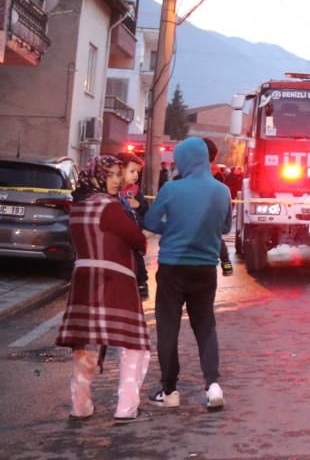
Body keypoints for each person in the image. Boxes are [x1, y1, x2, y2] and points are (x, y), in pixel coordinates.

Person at [56, 155, 151, 421]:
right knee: (134, 344)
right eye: (112, 175)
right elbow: (137, 239)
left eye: (119, 175)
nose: (118, 181)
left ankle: (80, 406)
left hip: (83, 280)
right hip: (114, 279)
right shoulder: (109, 206)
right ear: (98, 176)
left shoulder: (77, 206)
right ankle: (126, 408)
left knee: (84, 343)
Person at [143, 137, 233, 410]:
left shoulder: (172, 189)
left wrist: (173, 227)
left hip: (172, 267)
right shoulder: (222, 191)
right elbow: (225, 228)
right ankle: (213, 385)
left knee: (168, 328)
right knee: (205, 326)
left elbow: (150, 222)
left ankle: (170, 390)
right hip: (205, 269)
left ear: (184, 160)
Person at [115, 151, 150, 299]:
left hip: (133, 236)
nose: (136, 175)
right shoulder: (113, 190)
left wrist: (139, 205)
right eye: (132, 171)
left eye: (138, 172)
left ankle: (141, 283)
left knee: (137, 259)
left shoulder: (135, 191)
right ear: (120, 169)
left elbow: (145, 209)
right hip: (116, 239)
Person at [202, 138, 235, 277]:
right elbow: (226, 227)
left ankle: (226, 263)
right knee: (218, 240)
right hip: (212, 220)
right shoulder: (217, 176)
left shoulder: (180, 180)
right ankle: (226, 264)